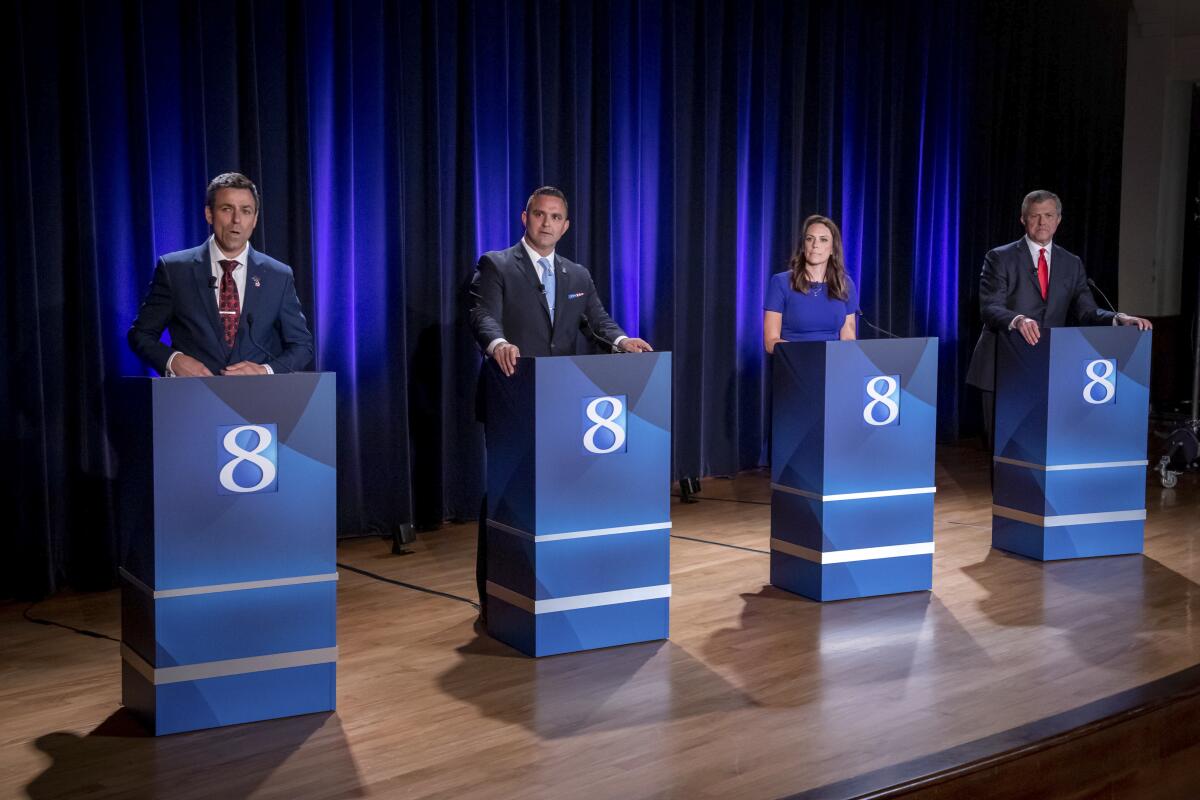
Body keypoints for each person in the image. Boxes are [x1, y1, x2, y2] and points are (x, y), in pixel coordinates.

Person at [468, 186, 653, 617]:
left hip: (565, 401)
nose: (546, 223)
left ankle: (554, 590)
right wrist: (497, 343)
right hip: (512, 398)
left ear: (565, 226)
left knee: (558, 495)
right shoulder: (496, 264)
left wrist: (622, 340)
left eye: (555, 217)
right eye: (539, 215)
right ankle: (495, 596)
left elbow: (597, 321)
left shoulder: (577, 274)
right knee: (505, 497)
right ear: (524, 218)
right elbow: (482, 315)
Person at [965, 190, 1152, 444]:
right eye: (1035, 216)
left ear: (1058, 220)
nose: (1042, 222)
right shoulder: (999, 257)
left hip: (1050, 366)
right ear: (1023, 219)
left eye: (1049, 215)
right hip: (1005, 364)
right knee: (1003, 446)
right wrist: (1019, 320)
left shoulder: (1071, 263)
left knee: (1044, 444)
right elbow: (989, 307)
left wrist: (1118, 318)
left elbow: (1087, 311)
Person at [128, 172, 313, 377]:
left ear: (255, 219)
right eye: (227, 209)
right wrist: (174, 360)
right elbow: (140, 334)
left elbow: (302, 346)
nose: (236, 220)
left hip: (258, 403)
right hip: (193, 399)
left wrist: (264, 371)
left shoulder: (278, 275)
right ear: (209, 214)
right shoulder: (174, 269)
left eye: (246, 211)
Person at [763, 214, 859, 353]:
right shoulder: (781, 282)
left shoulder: (845, 283)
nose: (815, 245)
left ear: (833, 249)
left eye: (823, 240)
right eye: (810, 239)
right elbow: (770, 342)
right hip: (794, 365)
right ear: (803, 246)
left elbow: (848, 338)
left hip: (832, 366)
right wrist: (808, 355)